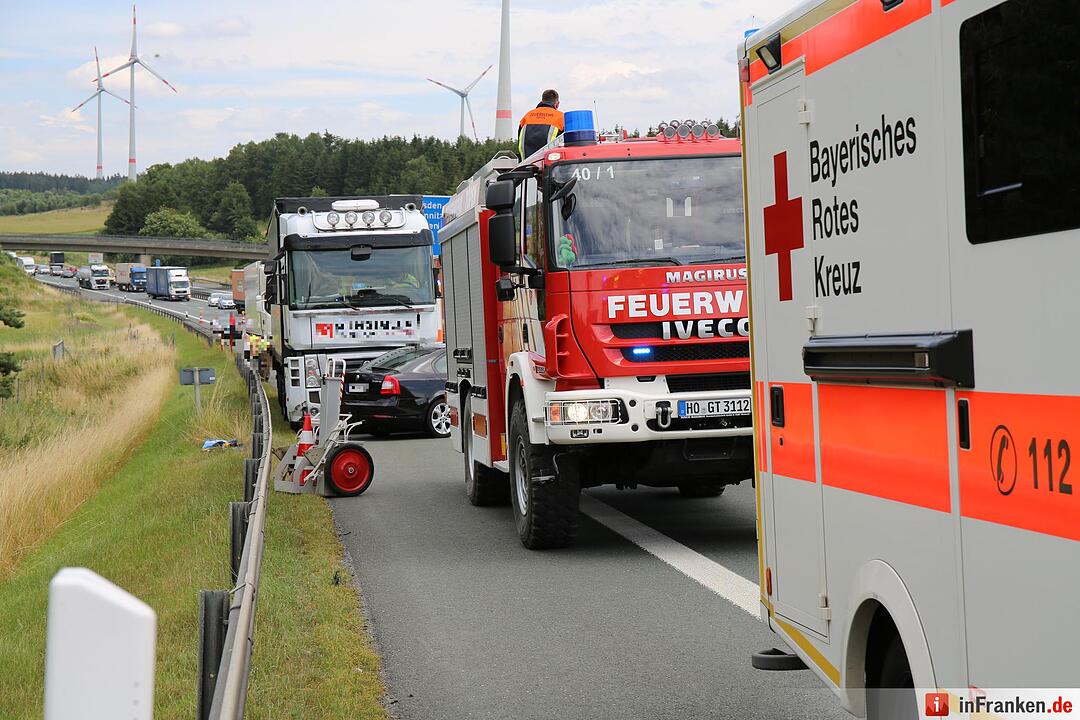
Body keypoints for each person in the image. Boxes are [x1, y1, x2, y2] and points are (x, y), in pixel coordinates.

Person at [517, 89, 564, 160]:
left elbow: (519, 139)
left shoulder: (527, 116)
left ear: (541, 102)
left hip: (526, 164)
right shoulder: (561, 117)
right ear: (557, 104)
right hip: (549, 164)